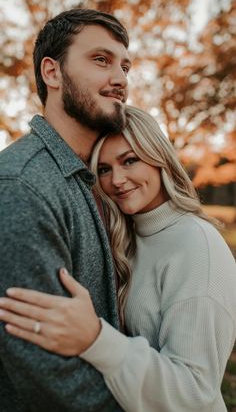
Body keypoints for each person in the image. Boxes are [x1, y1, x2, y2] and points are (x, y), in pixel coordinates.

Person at [0, 106, 235, 412]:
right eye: (104, 169)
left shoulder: (195, 245)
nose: (117, 180)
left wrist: (96, 339)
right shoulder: (129, 237)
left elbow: (193, 392)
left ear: (158, 157)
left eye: (129, 161)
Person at [0, 7, 131, 412]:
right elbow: (43, 370)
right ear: (52, 73)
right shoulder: (23, 186)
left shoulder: (90, 178)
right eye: (101, 60)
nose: (121, 79)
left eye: (125, 66)